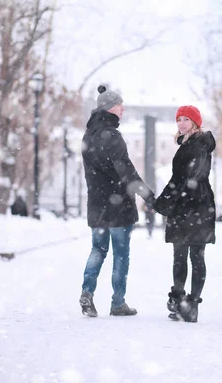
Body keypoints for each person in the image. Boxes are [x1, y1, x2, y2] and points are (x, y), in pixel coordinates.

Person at [79, 85, 155, 318]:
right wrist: (148, 196)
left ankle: (87, 292)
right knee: (120, 254)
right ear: (111, 107)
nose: (123, 109)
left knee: (98, 250)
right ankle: (118, 302)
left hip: (97, 205)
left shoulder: (88, 136)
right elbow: (127, 172)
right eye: (120, 105)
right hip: (118, 205)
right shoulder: (112, 136)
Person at [154, 105, 216, 323]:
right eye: (178, 119)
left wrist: (163, 201)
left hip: (194, 204)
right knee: (183, 254)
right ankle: (182, 300)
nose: (181, 123)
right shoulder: (189, 144)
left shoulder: (198, 145)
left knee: (193, 255)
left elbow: (185, 179)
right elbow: (182, 179)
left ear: (195, 122)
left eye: (186, 120)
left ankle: (190, 303)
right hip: (191, 203)